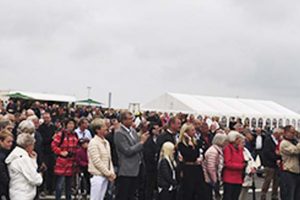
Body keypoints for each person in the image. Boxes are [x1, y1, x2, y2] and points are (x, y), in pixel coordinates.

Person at [114, 111, 149, 200]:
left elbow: (136, 146)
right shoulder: (119, 133)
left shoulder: (133, 131)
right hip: (126, 169)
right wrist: (141, 142)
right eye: (129, 119)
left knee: (132, 194)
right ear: (123, 120)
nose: (132, 121)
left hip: (136, 167)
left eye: (132, 119)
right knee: (123, 194)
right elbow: (127, 151)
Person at [5, 133, 43, 200]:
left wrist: (33, 160)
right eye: (33, 145)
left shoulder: (16, 155)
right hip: (23, 194)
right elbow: (35, 179)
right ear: (28, 146)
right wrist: (40, 175)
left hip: (17, 192)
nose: (33, 148)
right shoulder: (23, 159)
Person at [177, 123, 207, 200]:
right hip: (188, 170)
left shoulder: (196, 143)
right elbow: (190, 156)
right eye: (192, 130)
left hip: (197, 169)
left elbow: (197, 154)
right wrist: (190, 145)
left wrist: (193, 145)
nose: (194, 132)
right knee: (189, 192)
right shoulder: (181, 145)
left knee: (200, 192)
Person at [88, 118, 116, 200]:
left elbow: (109, 159)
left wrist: (111, 172)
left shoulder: (106, 142)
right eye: (103, 126)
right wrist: (108, 173)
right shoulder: (93, 142)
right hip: (97, 175)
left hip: (105, 176)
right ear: (97, 130)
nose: (106, 128)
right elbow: (97, 161)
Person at [51, 119, 78, 200]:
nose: (71, 126)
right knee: (60, 184)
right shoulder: (61, 134)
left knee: (69, 185)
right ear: (66, 125)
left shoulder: (75, 135)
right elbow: (53, 146)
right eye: (69, 124)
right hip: (62, 162)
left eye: (72, 124)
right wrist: (60, 152)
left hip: (71, 162)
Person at [203, 133, 228, 200]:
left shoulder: (217, 150)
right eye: (225, 141)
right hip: (210, 179)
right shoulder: (213, 151)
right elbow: (211, 167)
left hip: (214, 177)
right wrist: (215, 180)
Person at [260, 128, 283, 200]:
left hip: (277, 164)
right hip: (269, 163)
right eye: (280, 134)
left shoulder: (279, 141)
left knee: (276, 180)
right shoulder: (268, 140)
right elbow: (267, 152)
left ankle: (274, 195)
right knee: (268, 180)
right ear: (276, 133)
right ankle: (263, 195)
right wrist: (276, 157)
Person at [222, 131, 245, 200]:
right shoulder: (228, 149)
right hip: (229, 178)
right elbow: (228, 163)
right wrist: (240, 166)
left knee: (235, 196)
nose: (239, 140)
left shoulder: (240, 149)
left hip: (238, 177)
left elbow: (242, 159)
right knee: (228, 197)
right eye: (238, 139)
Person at [279, 125, 300, 200]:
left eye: (294, 132)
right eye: (292, 132)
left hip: (297, 172)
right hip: (289, 172)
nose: (293, 134)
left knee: (297, 196)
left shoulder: (294, 142)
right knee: (289, 195)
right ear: (285, 133)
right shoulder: (284, 143)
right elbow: (296, 150)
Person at [38, 112, 56, 195]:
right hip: (45, 152)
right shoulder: (40, 128)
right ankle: (42, 189)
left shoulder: (53, 127)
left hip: (52, 152)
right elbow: (42, 141)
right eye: (45, 118)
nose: (46, 119)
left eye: (48, 118)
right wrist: (51, 139)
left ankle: (51, 189)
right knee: (44, 171)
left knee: (52, 171)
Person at [143, 123, 161, 200]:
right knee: (149, 186)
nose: (158, 131)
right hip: (150, 168)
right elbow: (148, 154)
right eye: (156, 129)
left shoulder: (158, 139)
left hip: (156, 167)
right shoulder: (149, 141)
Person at [0, 130, 14, 200]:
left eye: (11, 142)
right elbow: (3, 175)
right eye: (8, 142)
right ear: (1, 141)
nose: (10, 144)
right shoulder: (2, 156)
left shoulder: (6, 153)